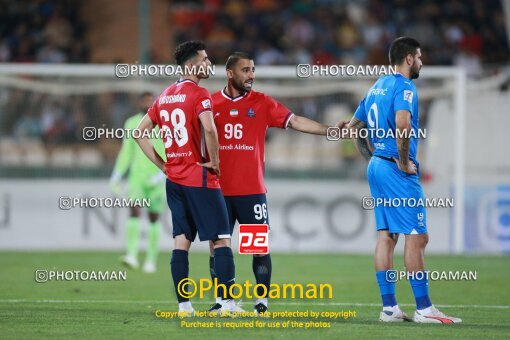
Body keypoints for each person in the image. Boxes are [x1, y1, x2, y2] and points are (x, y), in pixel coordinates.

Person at [208, 52, 339, 315]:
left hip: (252, 191)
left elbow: (296, 121)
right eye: (245, 70)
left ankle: (262, 301)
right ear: (230, 73)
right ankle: (224, 302)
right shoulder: (210, 104)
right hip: (217, 190)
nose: (252, 75)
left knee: (258, 248)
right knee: (217, 247)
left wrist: (330, 130)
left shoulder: (262, 102)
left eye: (253, 70)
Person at [346, 37, 462, 323]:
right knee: (417, 235)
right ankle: (424, 309)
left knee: (387, 236)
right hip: (395, 168)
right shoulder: (404, 86)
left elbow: (354, 127)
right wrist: (400, 160)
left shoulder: (376, 86)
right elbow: (402, 123)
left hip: (377, 166)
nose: (422, 62)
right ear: (409, 58)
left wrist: (372, 159)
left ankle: (390, 309)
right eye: (419, 57)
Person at [134, 41, 240, 316]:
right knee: (221, 239)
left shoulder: (165, 95)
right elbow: (209, 129)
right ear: (193, 65)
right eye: (205, 59)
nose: (209, 63)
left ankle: (184, 306)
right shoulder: (200, 94)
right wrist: (215, 161)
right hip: (200, 177)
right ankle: (226, 304)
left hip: (175, 180)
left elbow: (139, 132)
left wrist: (162, 165)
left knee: (181, 241)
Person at [110, 92, 165, 273]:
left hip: (157, 176)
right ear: (139, 103)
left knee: (153, 217)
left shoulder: (163, 123)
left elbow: (168, 148)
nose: (147, 104)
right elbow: (126, 152)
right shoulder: (131, 123)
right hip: (137, 176)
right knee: (134, 211)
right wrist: (117, 174)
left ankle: (151, 259)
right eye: (144, 101)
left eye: (151, 101)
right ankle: (132, 255)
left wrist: (163, 173)